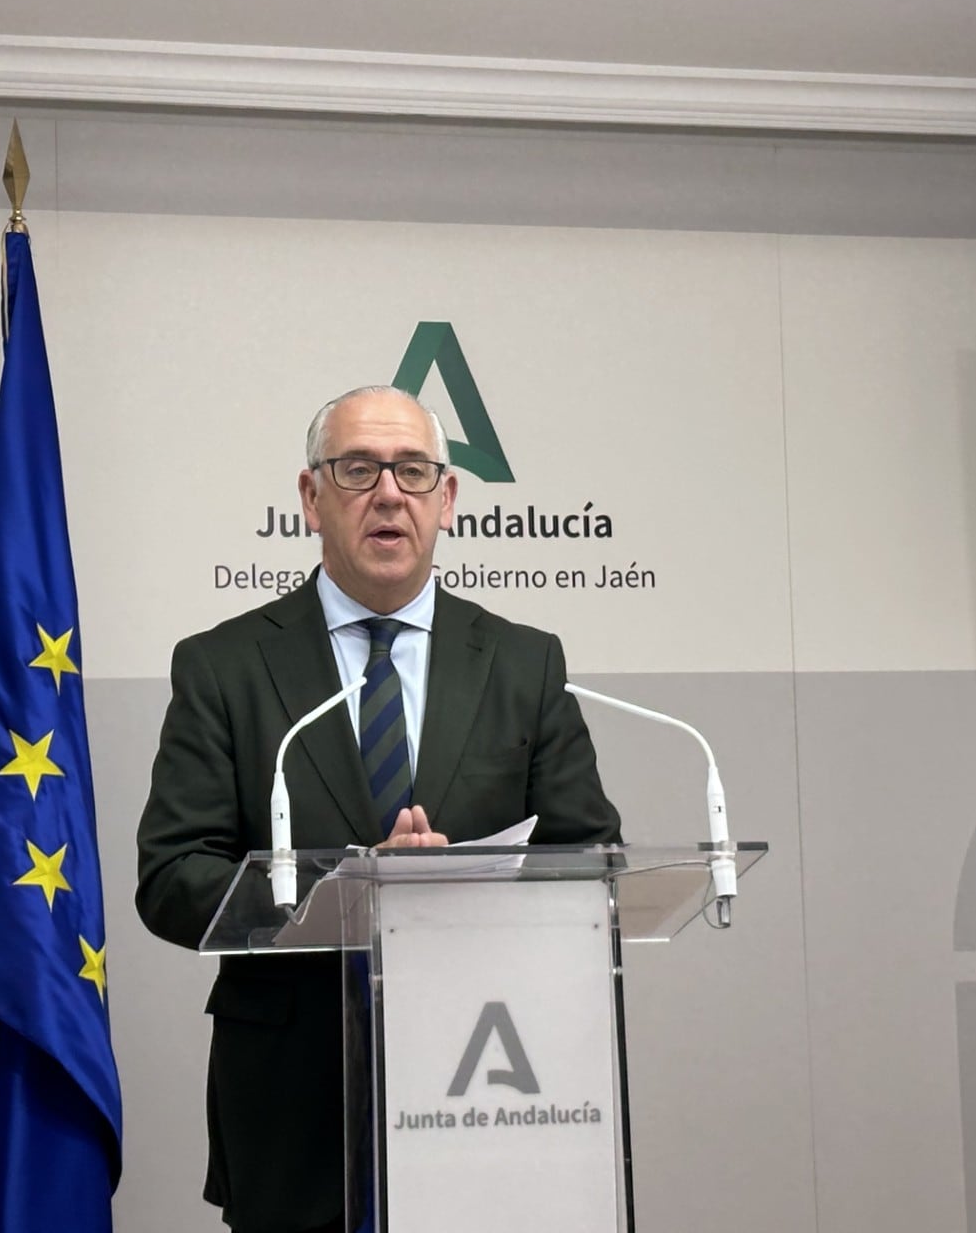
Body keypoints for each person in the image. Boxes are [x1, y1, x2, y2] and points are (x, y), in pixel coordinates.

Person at [137, 385, 622, 1233]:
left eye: (413, 470)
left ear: (448, 500)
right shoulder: (225, 667)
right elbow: (173, 878)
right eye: (358, 469)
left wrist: (460, 888)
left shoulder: (523, 663)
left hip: (497, 1093)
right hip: (296, 1109)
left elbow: (591, 862)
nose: (388, 492)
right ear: (310, 499)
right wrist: (345, 887)